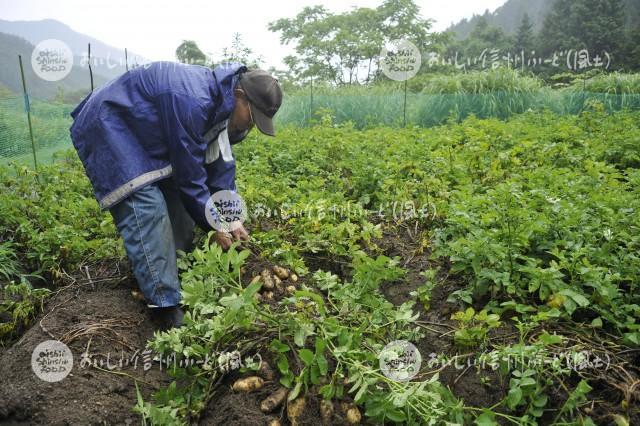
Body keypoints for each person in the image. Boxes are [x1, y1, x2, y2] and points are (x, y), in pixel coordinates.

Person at [69, 61, 283, 330]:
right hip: (110, 122)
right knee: (146, 203)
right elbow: (190, 176)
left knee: (179, 203)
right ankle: (165, 305)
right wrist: (215, 225)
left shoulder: (222, 107)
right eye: (252, 117)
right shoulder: (194, 100)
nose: (250, 126)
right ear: (240, 96)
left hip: (146, 132)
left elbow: (221, 165)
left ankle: (175, 269)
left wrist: (231, 218)